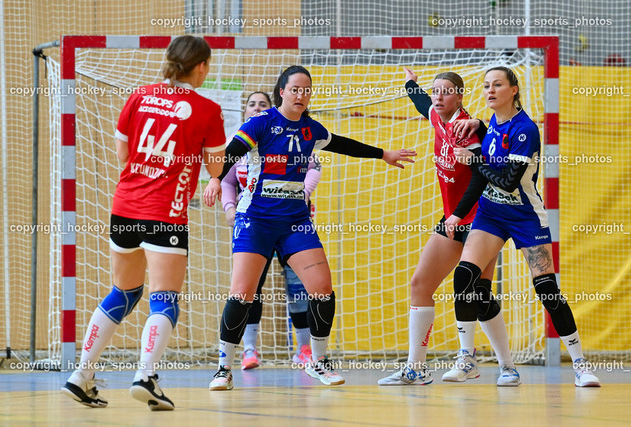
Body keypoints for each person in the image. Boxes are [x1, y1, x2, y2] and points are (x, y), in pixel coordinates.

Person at [203, 65, 416, 389]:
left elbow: (342, 144)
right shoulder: (260, 123)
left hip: (295, 222)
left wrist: (383, 153)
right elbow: (231, 153)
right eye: (295, 89)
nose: (301, 95)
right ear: (282, 92)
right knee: (242, 294)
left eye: (306, 90)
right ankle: (224, 368)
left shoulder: (310, 129)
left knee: (322, 289)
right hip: (256, 220)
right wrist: (216, 179)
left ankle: (318, 362)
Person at [61, 35, 226, 410]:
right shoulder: (207, 109)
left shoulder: (138, 96)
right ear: (201, 66)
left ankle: (81, 376)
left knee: (123, 292)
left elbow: (123, 154)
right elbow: (216, 167)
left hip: (124, 207)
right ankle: (145, 377)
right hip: (164, 213)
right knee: (164, 298)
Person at [450, 66, 600, 387]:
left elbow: (507, 181)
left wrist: (473, 160)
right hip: (490, 215)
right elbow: (494, 145)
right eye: (486, 86)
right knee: (465, 278)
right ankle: (471, 359)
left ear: (514, 90)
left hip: (525, 216)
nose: (490, 90)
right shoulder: (492, 122)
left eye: (497, 85)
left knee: (547, 290)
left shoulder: (526, 130)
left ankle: (580, 365)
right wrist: (479, 126)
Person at [378, 68, 520, 387]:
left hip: (482, 219)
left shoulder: (467, 130)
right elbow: (421, 102)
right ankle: (416, 368)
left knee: (477, 295)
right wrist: (411, 83)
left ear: (460, 96)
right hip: (453, 219)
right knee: (420, 284)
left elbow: (481, 176)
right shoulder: (436, 116)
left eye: (446, 91)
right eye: (435, 91)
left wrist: (458, 213)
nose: (438, 96)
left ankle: (505, 366)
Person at [221, 91, 318, 369]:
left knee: (299, 286)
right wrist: (229, 207)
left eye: (262, 104)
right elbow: (226, 180)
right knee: (250, 288)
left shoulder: (290, 134)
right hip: (255, 222)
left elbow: (314, 167)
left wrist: (303, 193)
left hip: (292, 220)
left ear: (270, 109)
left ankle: (304, 350)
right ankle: (248, 350)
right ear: (245, 111)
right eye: (251, 104)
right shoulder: (239, 142)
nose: (256, 108)